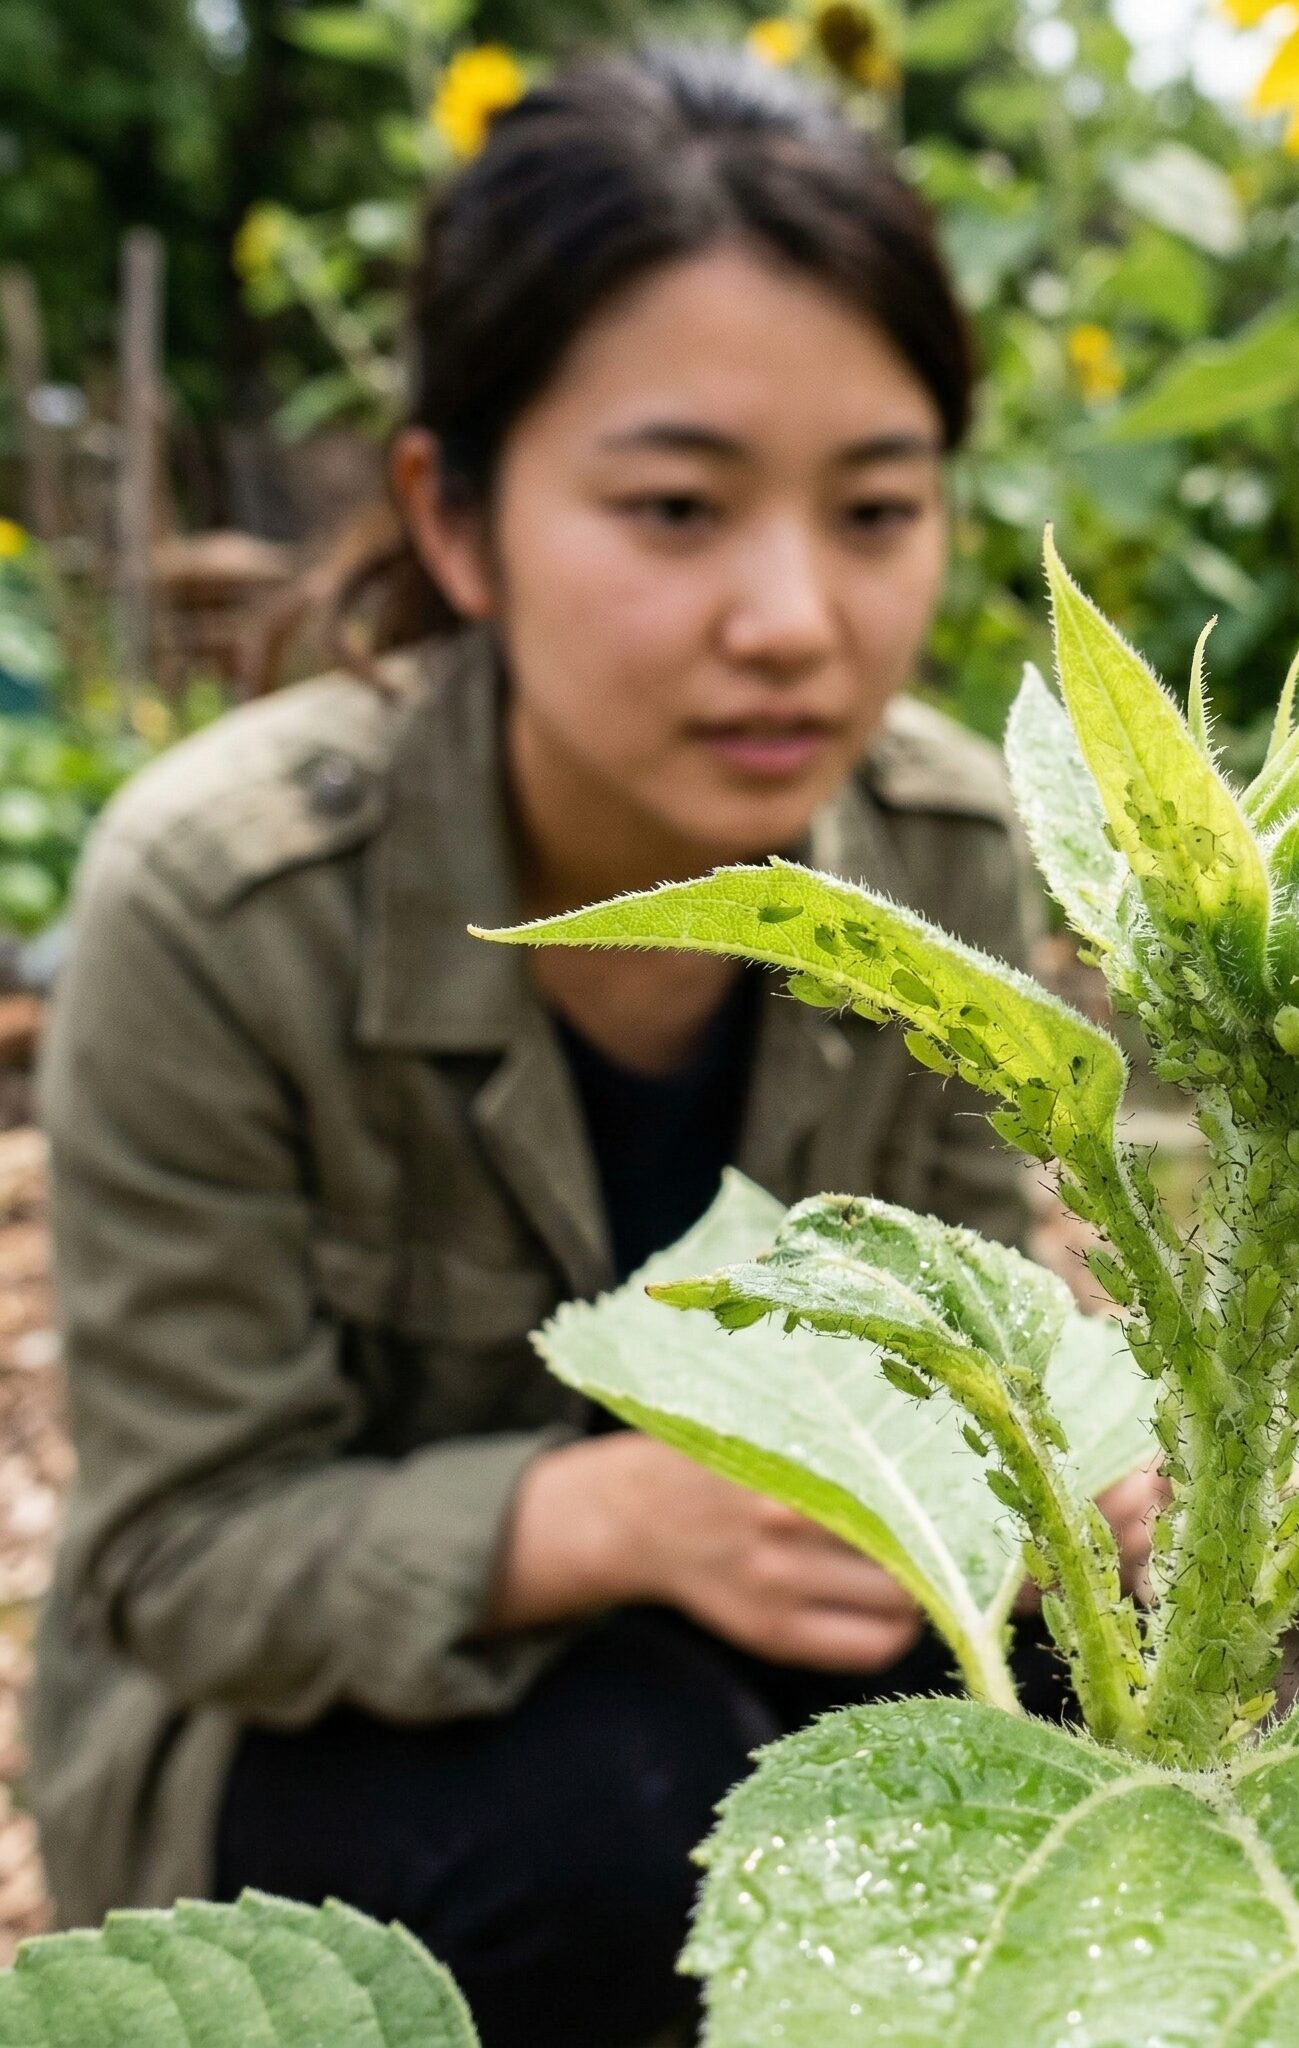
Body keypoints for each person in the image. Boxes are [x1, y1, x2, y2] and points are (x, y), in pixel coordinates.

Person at [26, 45, 1156, 2048]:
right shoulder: (222, 906)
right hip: (314, 1719)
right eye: (675, 507)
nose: (797, 617)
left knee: (1112, 1768)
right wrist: (618, 1513)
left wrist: (1056, 1461)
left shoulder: (945, 858)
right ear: (453, 519)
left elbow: (981, 1312)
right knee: (624, 1849)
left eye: (876, 507)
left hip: (797, 1617)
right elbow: (181, 1558)